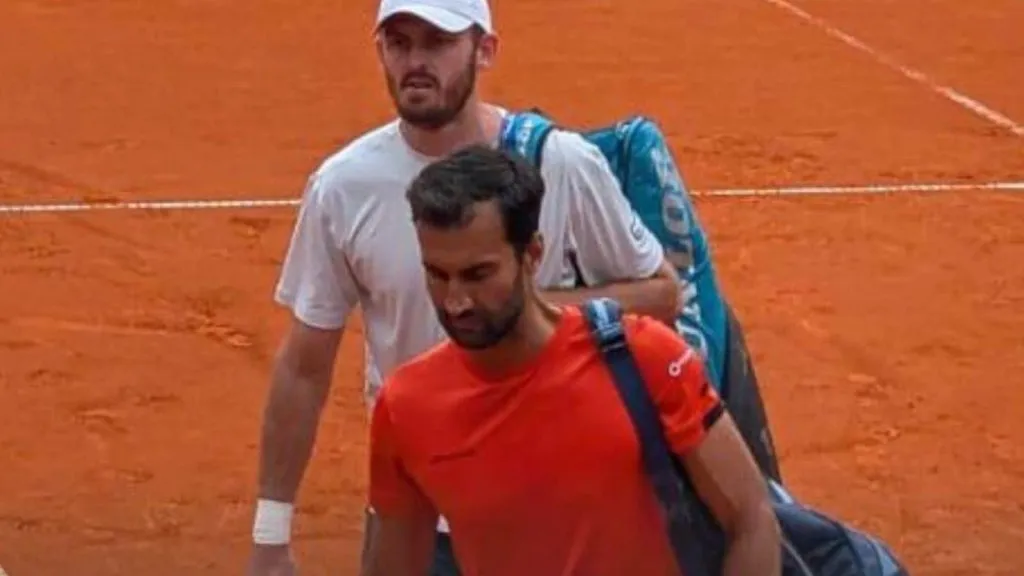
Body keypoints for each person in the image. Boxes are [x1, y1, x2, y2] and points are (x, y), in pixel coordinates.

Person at [245, 0, 682, 574]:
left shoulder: (563, 165)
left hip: (556, 513)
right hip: (415, 516)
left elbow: (661, 295)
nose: (415, 62)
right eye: (399, 43)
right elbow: (304, 366)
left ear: (485, 50)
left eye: (437, 42)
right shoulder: (342, 188)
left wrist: (528, 311)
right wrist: (270, 533)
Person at [362, 144, 781, 576]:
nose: (455, 302)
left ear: (532, 255)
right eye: (437, 274)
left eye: (478, 274)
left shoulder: (648, 358)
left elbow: (751, 519)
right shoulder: (406, 407)